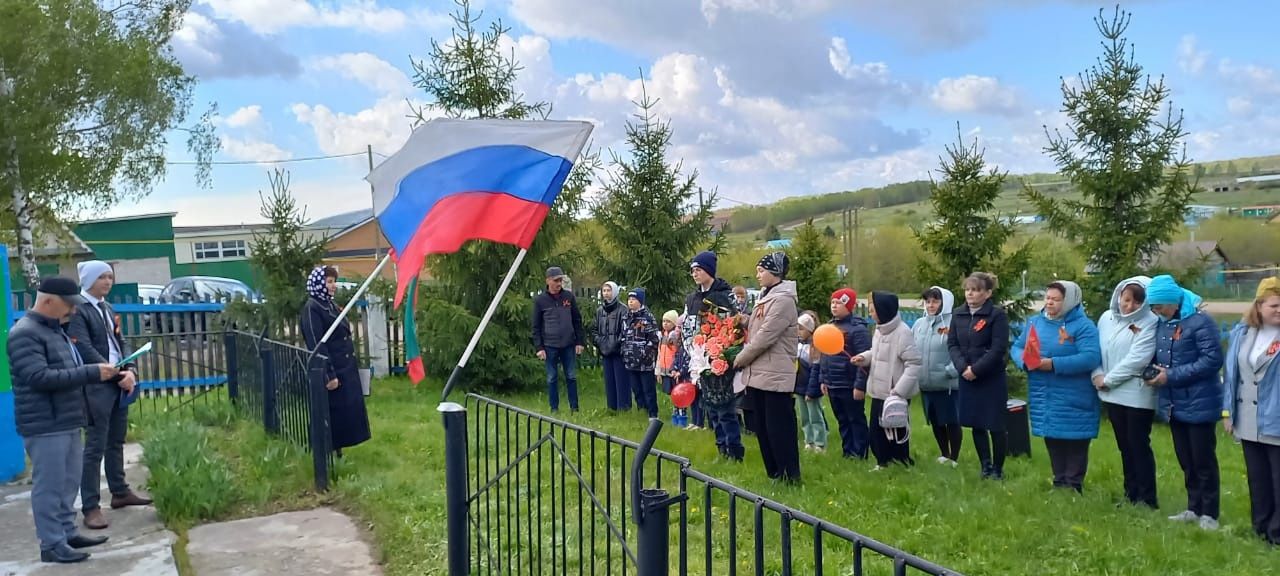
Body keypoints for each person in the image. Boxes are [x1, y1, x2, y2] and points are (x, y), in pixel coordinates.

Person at [9, 277, 117, 563]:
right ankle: (51, 543)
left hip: (67, 419)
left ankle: (67, 533)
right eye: (68, 305)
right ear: (48, 301)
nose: (73, 311)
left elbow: (68, 369)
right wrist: (92, 373)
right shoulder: (25, 334)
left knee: (68, 482)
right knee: (50, 485)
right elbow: (39, 377)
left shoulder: (55, 330)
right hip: (45, 424)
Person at [66, 261, 150, 531]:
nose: (107, 281)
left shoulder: (107, 308)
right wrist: (115, 374)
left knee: (116, 440)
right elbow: (85, 349)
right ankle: (90, 506)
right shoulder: (78, 309)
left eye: (110, 276)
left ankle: (120, 491)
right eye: (102, 277)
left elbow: (120, 341)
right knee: (94, 447)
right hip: (96, 385)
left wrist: (130, 370)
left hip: (118, 381)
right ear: (88, 279)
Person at [1145, 274, 1224, 531]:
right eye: (1152, 307)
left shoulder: (1201, 323)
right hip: (1174, 404)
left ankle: (1210, 513)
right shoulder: (1163, 324)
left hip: (1200, 402)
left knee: (1203, 460)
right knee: (1186, 460)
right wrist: (1154, 372)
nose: (1155, 311)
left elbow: (1212, 360)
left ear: (1172, 301)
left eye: (1158, 306)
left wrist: (1172, 376)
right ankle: (1193, 507)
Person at [1012, 281, 1102, 492]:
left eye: (1056, 299)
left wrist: (1053, 364)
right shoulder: (1035, 322)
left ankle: (1073, 484)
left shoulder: (1083, 326)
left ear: (1069, 301)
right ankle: (1059, 480)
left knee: (1075, 440)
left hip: (1073, 393)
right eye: (1048, 298)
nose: (1050, 302)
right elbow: (1017, 347)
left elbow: (1090, 357)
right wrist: (1024, 361)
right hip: (1044, 392)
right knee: (1052, 437)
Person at [735, 252, 801, 482]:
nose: (758, 275)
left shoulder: (783, 299)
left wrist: (740, 358)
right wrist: (744, 320)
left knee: (778, 428)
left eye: (761, 270)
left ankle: (789, 475)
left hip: (775, 373)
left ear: (775, 272)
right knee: (762, 427)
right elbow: (758, 326)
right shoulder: (767, 295)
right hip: (759, 373)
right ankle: (774, 473)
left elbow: (766, 336)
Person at [1094, 277, 1160, 508]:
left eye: (1136, 302)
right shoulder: (1106, 318)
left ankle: (1147, 498)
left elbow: (1138, 358)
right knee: (1124, 446)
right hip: (1111, 393)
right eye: (1127, 300)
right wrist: (1097, 375)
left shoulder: (1151, 322)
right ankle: (1130, 493)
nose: (1130, 306)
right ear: (1119, 296)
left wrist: (1108, 380)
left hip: (1136, 394)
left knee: (1138, 444)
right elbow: (1096, 350)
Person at [1224, 277, 1280, 544]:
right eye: (1274, 305)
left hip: (1275, 417)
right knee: (1257, 479)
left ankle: (1277, 533)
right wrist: (1228, 412)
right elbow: (1231, 374)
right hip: (1247, 419)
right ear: (1258, 306)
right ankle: (1260, 527)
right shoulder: (1242, 333)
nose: (1279, 310)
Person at [675, 251, 743, 460]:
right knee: (710, 407)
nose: (695, 274)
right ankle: (721, 448)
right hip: (700, 359)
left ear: (709, 271)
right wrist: (694, 353)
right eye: (693, 270)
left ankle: (734, 451)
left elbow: (734, 327)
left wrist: (722, 354)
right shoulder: (692, 298)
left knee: (725, 408)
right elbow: (687, 327)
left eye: (699, 270)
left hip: (721, 359)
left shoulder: (725, 295)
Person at [300, 266, 372, 453]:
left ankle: (337, 449)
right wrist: (328, 374)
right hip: (333, 368)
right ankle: (323, 452)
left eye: (334, 282)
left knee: (343, 413)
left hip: (344, 366)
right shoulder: (312, 308)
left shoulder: (329, 304)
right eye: (329, 281)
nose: (333, 286)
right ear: (318, 283)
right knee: (331, 412)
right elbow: (316, 343)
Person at [948, 272, 1010, 480]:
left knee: (995, 424)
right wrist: (963, 368)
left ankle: (998, 469)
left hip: (990, 377)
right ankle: (985, 465)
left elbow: (998, 348)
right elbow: (952, 344)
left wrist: (976, 369)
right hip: (966, 376)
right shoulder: (958, 314)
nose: (970, 294)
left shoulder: (996, 315)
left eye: (975, 290)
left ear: (987, 293)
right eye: (967, 290)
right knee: (976, 422)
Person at [854, 292, 921, 469]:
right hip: (878, 390)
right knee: (876, 430)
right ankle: (882, 461)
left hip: (895, 393)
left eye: (872, 310)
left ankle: (900, 462)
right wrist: (863, 357)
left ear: (883, 311)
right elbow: (875, 353)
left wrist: (899, 391)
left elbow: (913, 364)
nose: (870, 314)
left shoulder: (903, 333)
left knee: (896, 429)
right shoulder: (879, 329)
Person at [819, 288, 872, 460]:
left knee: (855, 419)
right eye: (832, 302)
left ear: (849, 306)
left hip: (849, 383)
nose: (834, 306)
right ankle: (847, 450)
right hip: (832, 382)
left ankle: (860, 451)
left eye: (839, 303)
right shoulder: (829, 326)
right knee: (842, 419)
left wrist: (859, 385)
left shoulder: (858, 329)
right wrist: (823, 379)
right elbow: (824, 355)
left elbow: (863, 360)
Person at [913, 286, 963, 466]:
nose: (931, 305)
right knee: (935, 421)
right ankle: (944, 453)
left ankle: (954, 457)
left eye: (935, 301)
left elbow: (962, 351)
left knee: (951, 420)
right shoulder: (919, 324)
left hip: (948, 384)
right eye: (928, 301)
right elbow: (912, 349)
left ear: (945, 302)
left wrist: (950, 371)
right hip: (927, 383)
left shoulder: (954, 323)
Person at [531, 266, 585, 412]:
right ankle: (554, 408)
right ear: (548, 281)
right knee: (551, 378)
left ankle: (574, 408)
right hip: (550, 345)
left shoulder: (568, 297)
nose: (558, 283)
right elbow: (535, 326)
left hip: (568, 343)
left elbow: (577, 320)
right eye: (556, 280)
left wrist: (580, 341)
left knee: (571, 376)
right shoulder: (540, 301)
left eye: (560, 280)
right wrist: (539, 348)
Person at [621, 288, 660, 418]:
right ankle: (641, 412)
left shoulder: (647, 317)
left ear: (640, 301)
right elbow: (623, 335)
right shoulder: (626, 317)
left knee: (648, 389)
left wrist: (644, 353)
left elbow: (654, 339)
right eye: (629, 299)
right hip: (630, 360)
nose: (630, 302)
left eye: (633, 300)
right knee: (636, 389)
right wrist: (624, 351)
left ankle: (652, 414)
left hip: (645, 362)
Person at [592, 281, 629, 411]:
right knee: (609, 381)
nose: (606, 293)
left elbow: (625, 331)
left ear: (614, 292)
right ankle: (611, 408)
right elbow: (595, 330)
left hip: (618, 351)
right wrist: (601, 343)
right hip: (605, 351)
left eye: (609, 290)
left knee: (621, 381)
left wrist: (614, 344)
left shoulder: (623, 309)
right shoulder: (599, 311)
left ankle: (623, 408)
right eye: (604, 291)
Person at [796, 311, 828, 452]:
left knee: (815, 416)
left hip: (811, 388)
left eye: (801, 328)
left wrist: (811, 390)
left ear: (810, 330)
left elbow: (815, 371)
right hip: (799, 387)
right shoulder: (797, 345)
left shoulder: (815, 347)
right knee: (804, 417)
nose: (798, 331)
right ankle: (808, 440)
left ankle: (820, 442)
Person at [657, 310, 681, 396]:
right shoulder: (662, 336)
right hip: (664, 372)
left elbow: (678, 353)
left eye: (668, 321)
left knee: (677, 392)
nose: (665, 323)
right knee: (668, 394)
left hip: (673, 372)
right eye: (664, 321)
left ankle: (679, 409)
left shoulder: (676, 337)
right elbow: (659, 354)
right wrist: (658, 371)